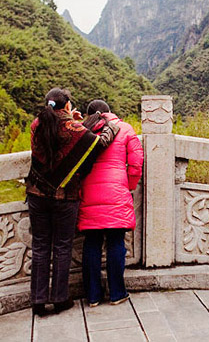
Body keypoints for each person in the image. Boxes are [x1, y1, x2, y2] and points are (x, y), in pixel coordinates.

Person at [26, 88, 119, 317]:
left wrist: (77, 122)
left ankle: (38, 299)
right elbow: (97, 143)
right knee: (61, 246)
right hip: (64, 196)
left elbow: (56, 140)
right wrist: (111, 126)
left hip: (36, 193)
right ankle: (59, 298)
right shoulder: (72, 128)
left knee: (40, 246)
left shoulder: (37, 124)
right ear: (67, 105)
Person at [78, 99, 144, 307]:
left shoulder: (81, 131)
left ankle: (93, 296)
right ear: (109, 112)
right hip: (116, 192)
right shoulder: (124, 129)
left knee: (92, 243)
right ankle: (117, 293)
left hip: (88, 192)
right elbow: (135, 163)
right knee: (116, 242)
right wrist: (129, 185)